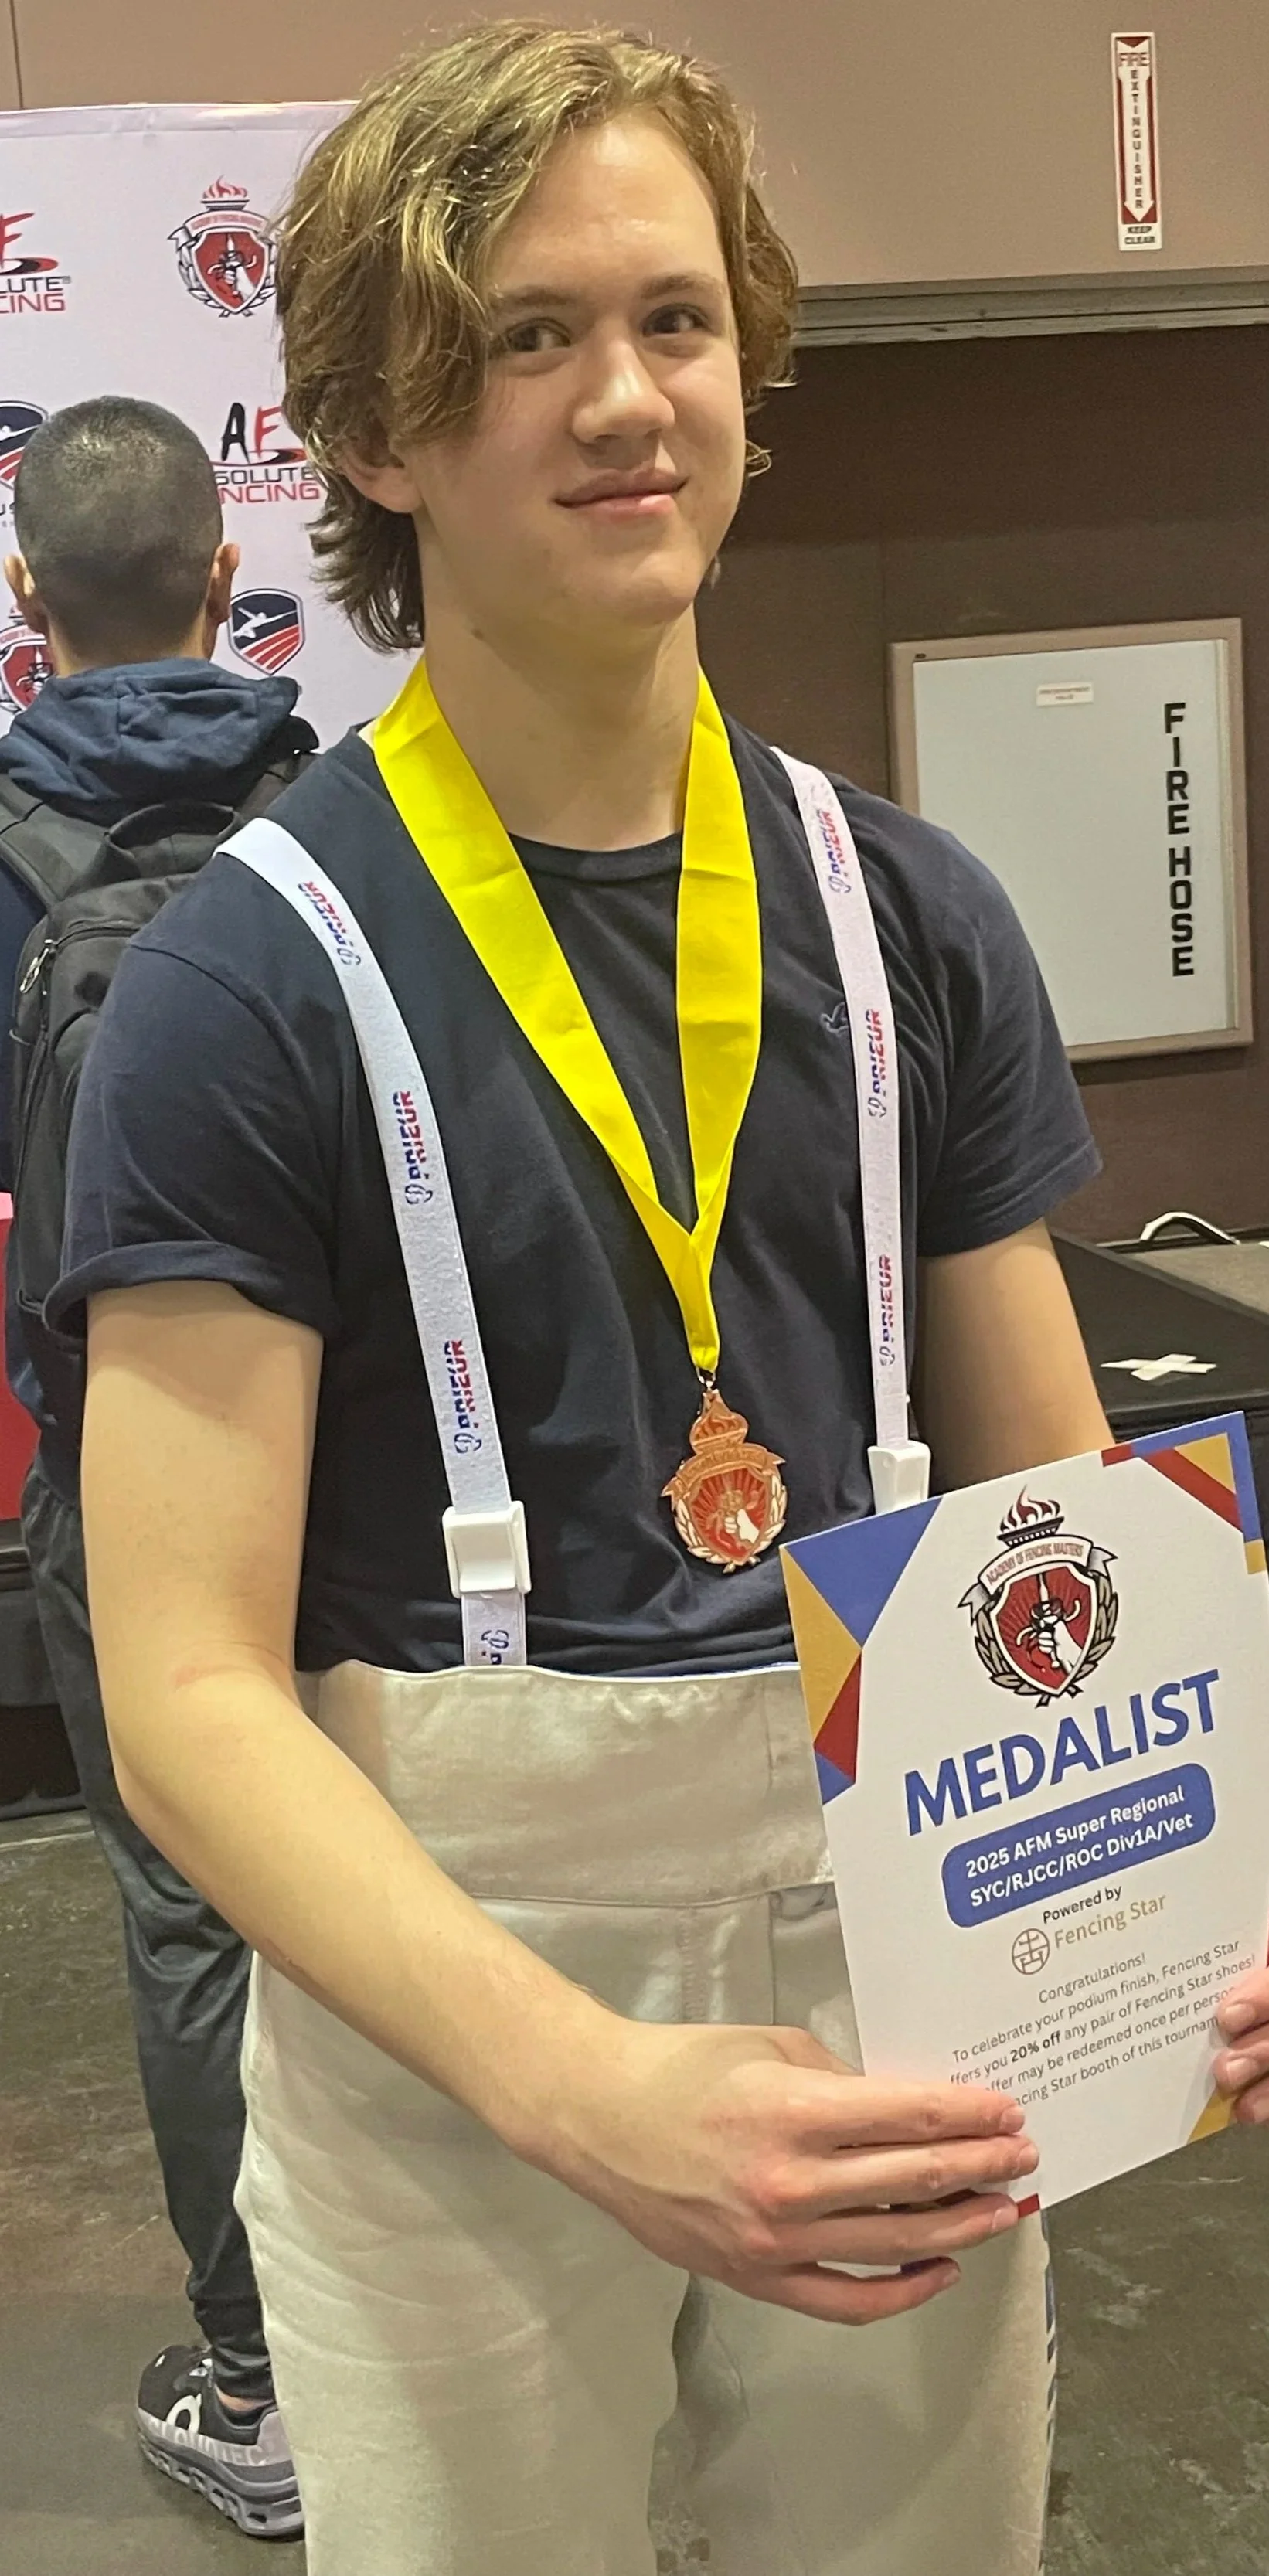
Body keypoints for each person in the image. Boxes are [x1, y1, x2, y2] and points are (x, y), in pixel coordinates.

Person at [53, 26, 1269, 2575]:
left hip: (904, 1963)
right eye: (526, 335)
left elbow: (1055, 1508)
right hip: (456, 2029)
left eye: (676, 322)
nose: (625, 400)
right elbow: (188, 1690)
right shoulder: (249, 987)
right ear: (374, 429)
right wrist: (589, 2087)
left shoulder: (906, 918)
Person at [0, 396, 311, 2538]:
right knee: (401, 1856)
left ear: (30, 611)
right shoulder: (353, 809)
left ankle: (265, 2379)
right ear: (228, 581)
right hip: (366, 1450)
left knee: (194, 1914)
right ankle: (445, 2320)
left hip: (116, 1461)